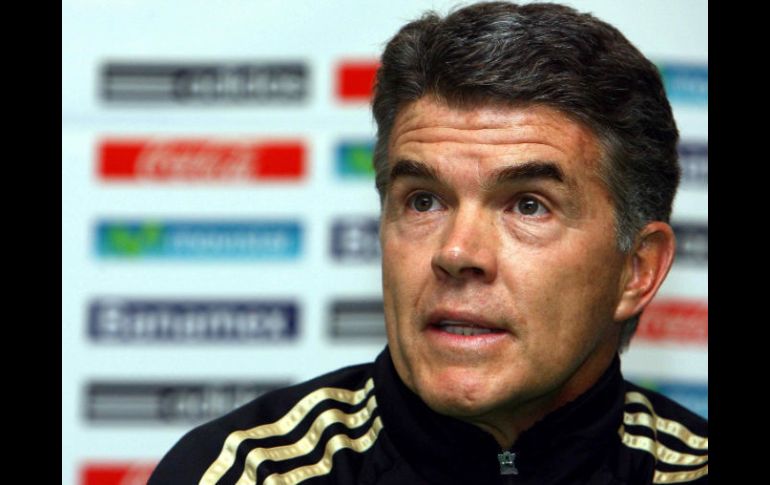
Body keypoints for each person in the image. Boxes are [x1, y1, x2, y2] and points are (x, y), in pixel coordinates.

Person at [148, 2, 708, 484]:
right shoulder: (250, 472)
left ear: (637, 270)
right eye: (424, 201)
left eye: (528, 205)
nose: (457, 253)